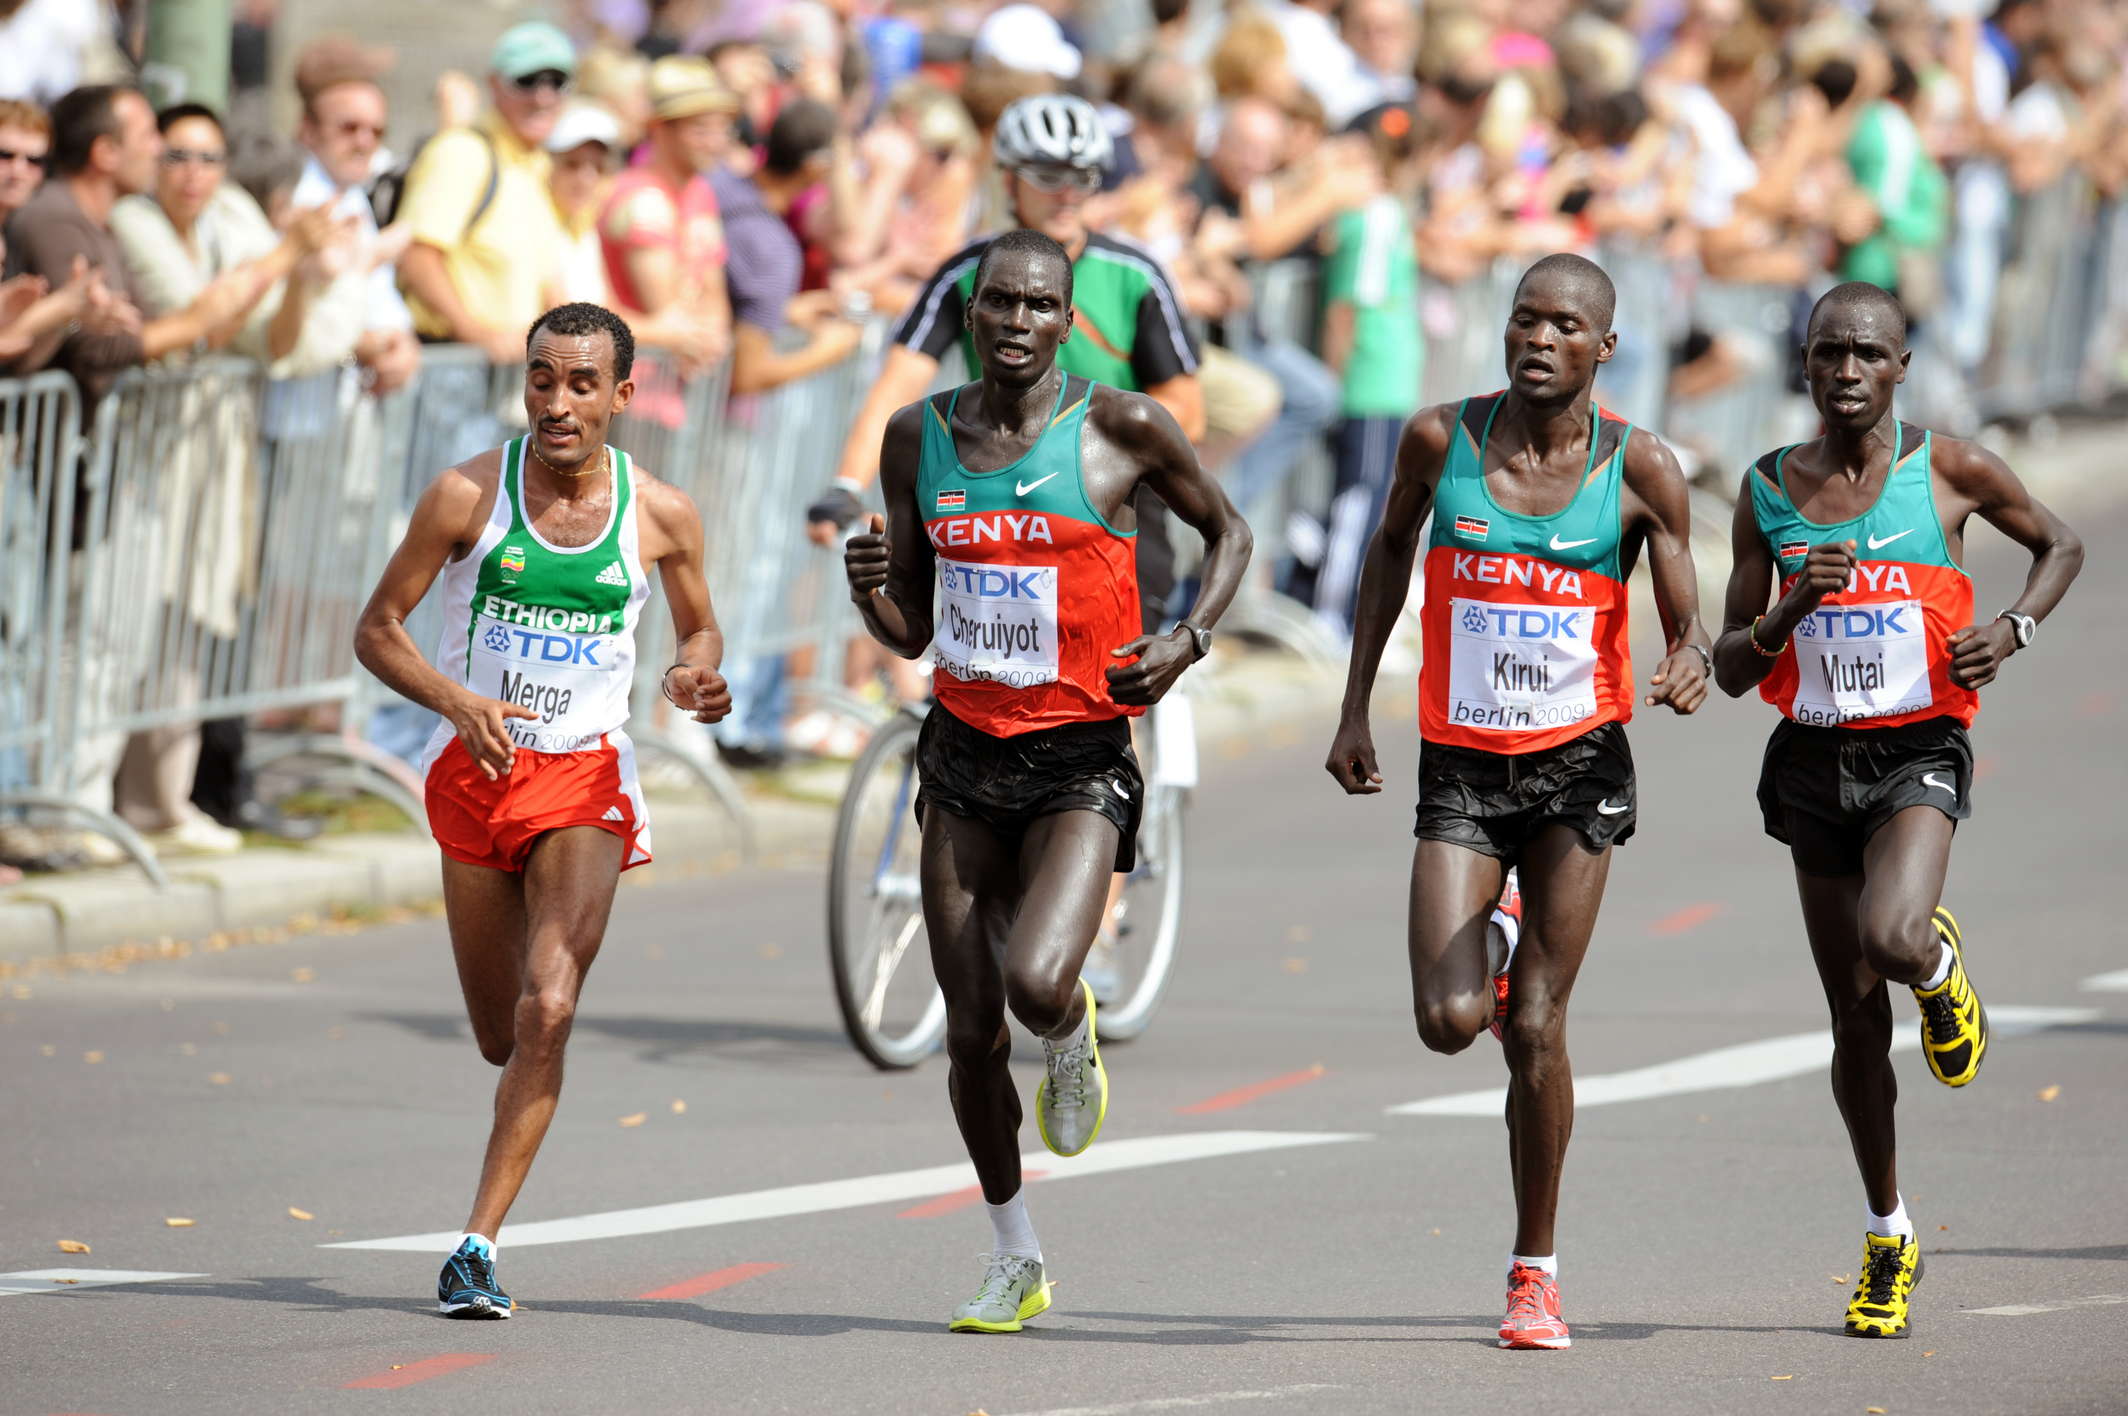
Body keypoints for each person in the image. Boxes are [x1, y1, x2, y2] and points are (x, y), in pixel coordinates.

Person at [843, 228, 1250, 1333]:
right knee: (969, 1029)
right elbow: (913, 627)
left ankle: (1069, 1039)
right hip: (962, 753)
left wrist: (1186, 641)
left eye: (1038, 305)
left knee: (1033, 983)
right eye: (998, 303)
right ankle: (1013, 1254)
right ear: (971, 313)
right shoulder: (918, 435)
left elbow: (1230, 534)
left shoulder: (1122, 426)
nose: (1016, 321)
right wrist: (868, 590)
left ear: (1070, 321)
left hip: (1079, 757)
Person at [1325, 253, 1712, 1351]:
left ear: (1605, 346)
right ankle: (1492, 932)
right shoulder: (1437, 439)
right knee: (1450, 1023)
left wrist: (1687, 656)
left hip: (1577, 766)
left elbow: (1684, 613)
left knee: (1535, 1024)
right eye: (1524, 320)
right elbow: (1387, 555)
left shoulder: (1640, 464)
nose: (1539, 339)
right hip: (1460, 764)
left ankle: (1533, 1272)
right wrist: (1353, 710)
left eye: (1564, 326)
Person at [1712, 282, 2081, 1340]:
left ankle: (1936, 961)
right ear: (1804, 363)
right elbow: (1732, 667)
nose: (1846, 371)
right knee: (1853, 1019)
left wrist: (2011, 628)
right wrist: (1792, 604)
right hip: (1812, 760)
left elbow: (2060, 545)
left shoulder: (1950, 470)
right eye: (1828, 351)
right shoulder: (1767, 489)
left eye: (1868, 353)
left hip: (1919, 744)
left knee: (1893, 937)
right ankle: (1888, 1232)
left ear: (1901, 366)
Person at [352, 302, 733, 1318]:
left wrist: (694, 676)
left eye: (580, 384)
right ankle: (507, 1113)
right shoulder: (465, 495)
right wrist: (457, 701)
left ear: (623, 394)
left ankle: (475, 1246)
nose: (557, 402)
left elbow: (700, 631)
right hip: (475, 774)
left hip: (586, 777)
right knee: (500, 1034)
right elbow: (377, 628)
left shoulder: (660, 513)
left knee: (549, 1008)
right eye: (541, 379)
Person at [394, 21, 574, 361]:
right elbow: (416, 258)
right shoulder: (463, 152)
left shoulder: (535, 166)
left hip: (506, 369)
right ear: (494, 84)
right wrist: (476, 334)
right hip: (453, 362)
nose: (543, 96)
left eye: (557, 81)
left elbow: (546, 277)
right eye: (526, 80)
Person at [288, 34, 421, 393]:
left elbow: (377, 298)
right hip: (304, 404)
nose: (365, 142)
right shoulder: (296, 193)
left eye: (376, 131)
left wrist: (400, 343)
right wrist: (367, 344)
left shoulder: (351, 192)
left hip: (351, 402)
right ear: (309, 130)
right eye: (349, 128)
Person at [596, 56, 734, 381]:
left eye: (722, 129)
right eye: (701, 129)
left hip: (676, 385)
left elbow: (714, 294)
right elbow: (667, 312)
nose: (715, 142)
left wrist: (712, 337)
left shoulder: (701, 192)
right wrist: (701, 340)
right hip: (634, 386)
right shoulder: (641, 199)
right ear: (659, 128)